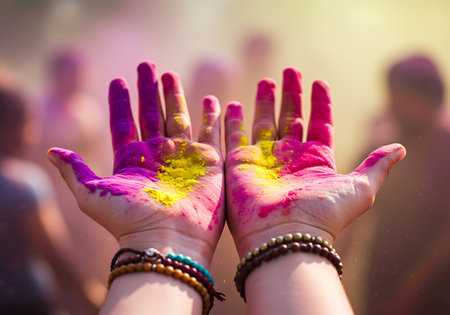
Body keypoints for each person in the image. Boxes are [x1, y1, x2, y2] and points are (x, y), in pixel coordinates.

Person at [47, 61, 405, 314]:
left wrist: (291, 228)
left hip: (239, 279)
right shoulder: (171, 146)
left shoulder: (255, 145)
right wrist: (161, 234)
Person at [341, 54, 450, 314]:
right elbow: (349, 210)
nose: (391, 105)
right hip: (382, 280)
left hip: (435, 291)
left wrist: (410, 292)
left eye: (400, 97)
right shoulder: (382, 146)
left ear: (429, 98)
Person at [0, 83, 97, 314]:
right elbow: (55, 256)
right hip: (26, 304)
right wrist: (94, 299)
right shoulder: (24, 184)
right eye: (29, 124)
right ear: (12, 127)